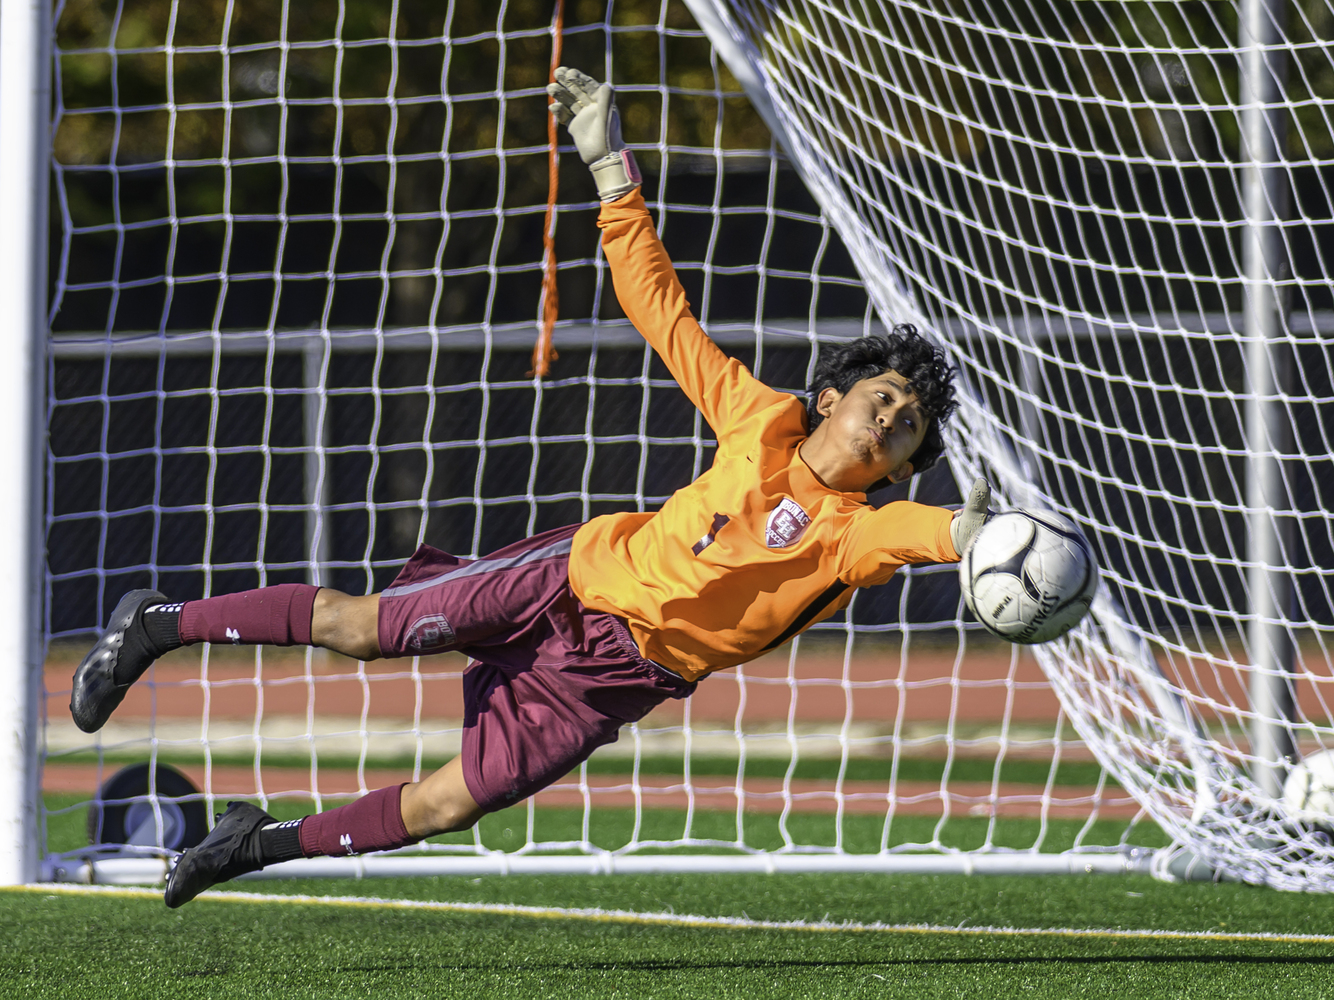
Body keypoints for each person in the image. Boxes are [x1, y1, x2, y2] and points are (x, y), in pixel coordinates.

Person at [67, 66, 991, 908]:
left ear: (904, 465)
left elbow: (926, 535)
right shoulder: (759, 417)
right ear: (832, 398)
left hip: (612, 682)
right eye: (881, 399)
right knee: (361, 629)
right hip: (570, 575)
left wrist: (982, 539)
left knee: (445, 807)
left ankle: (254, 844)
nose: (887, 420)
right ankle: (157, 625)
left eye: (906, 425)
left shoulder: (853, 535)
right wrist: (611, 171)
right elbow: (659, 308)